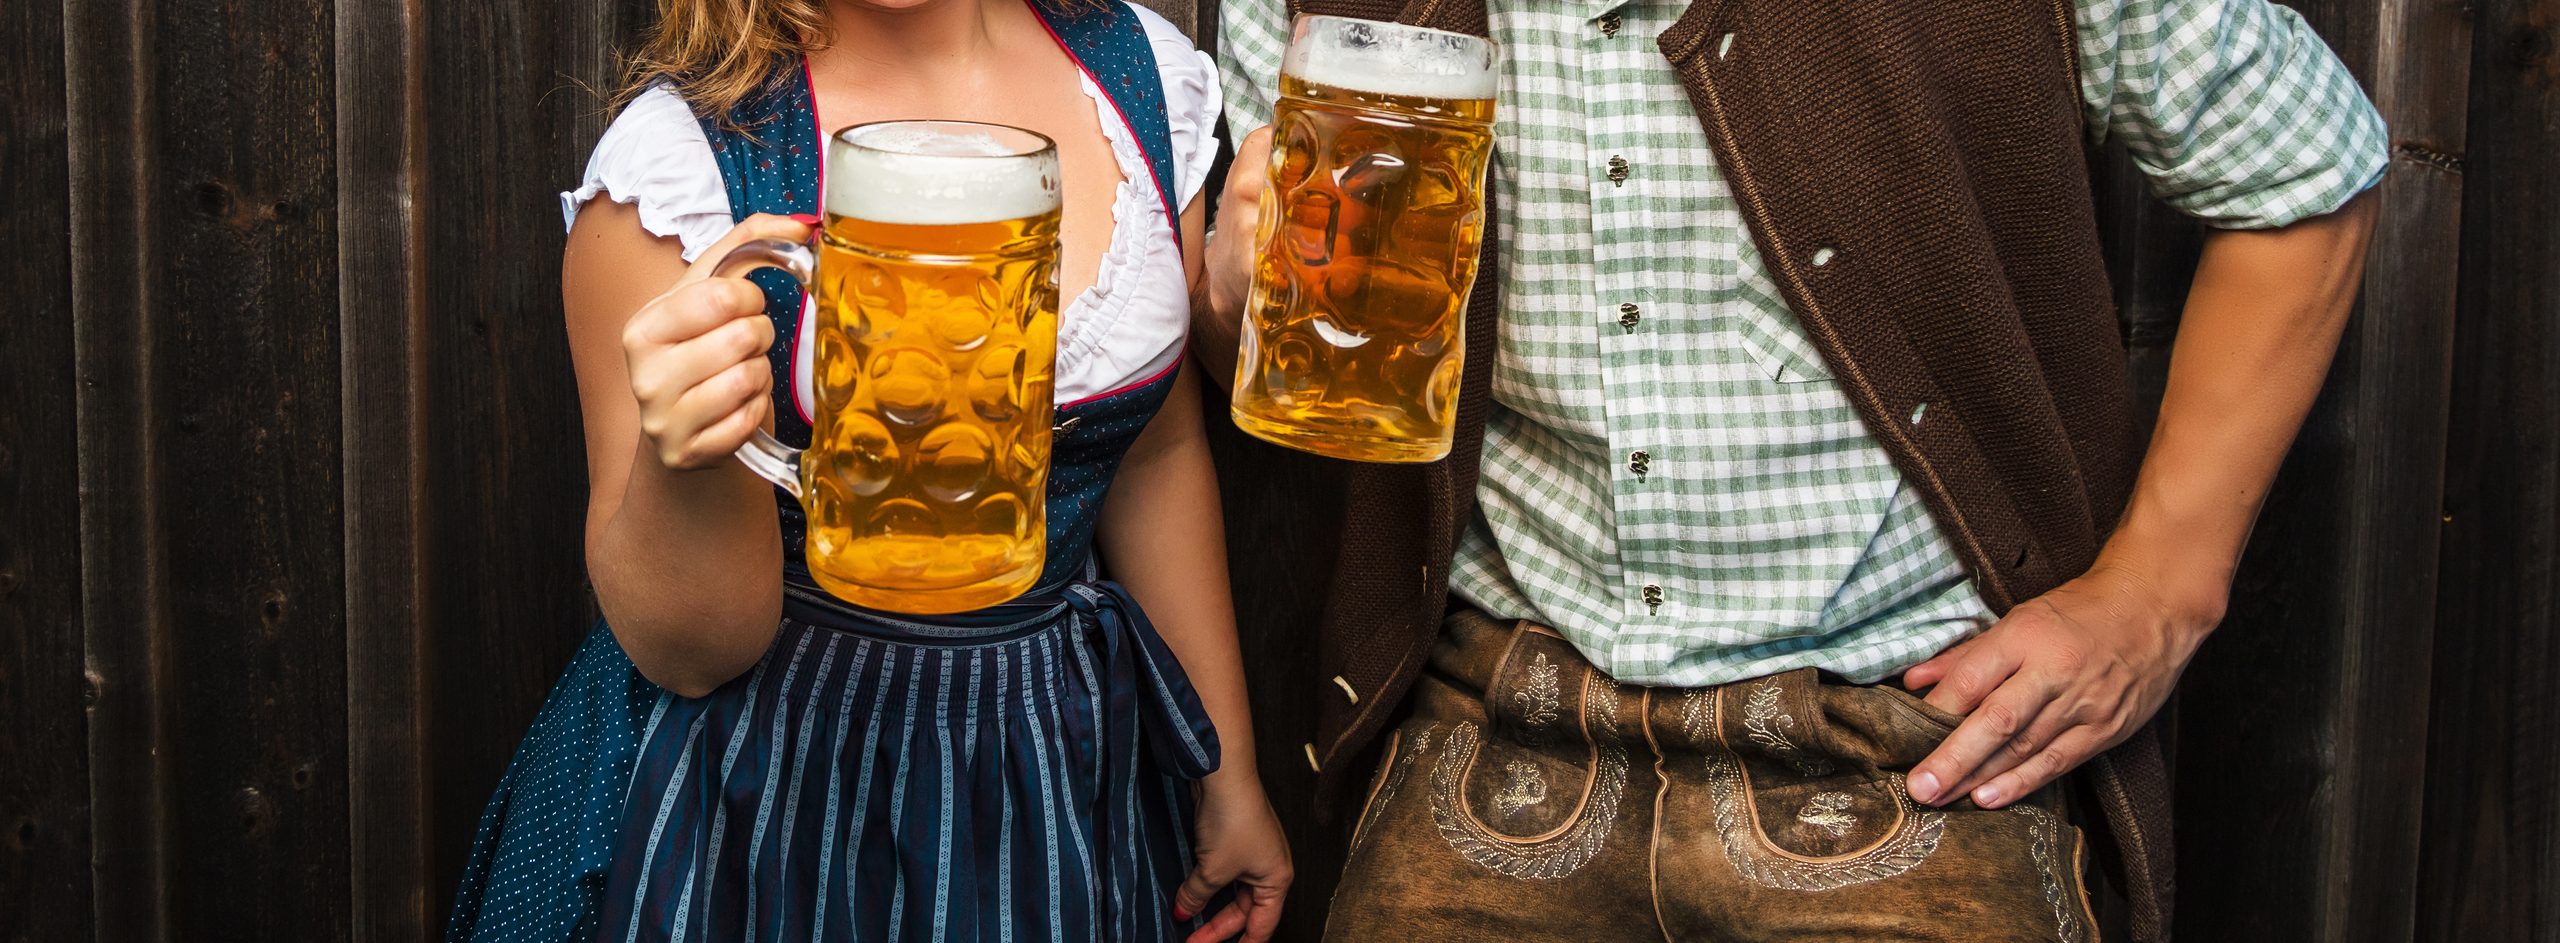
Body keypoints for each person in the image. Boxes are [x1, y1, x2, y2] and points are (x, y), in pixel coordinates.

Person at [1200, 0, 2385, 937]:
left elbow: (2302, 173)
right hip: (1501, 703)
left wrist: (2160, 590)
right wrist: (1236, 298)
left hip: (1910, 726)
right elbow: (1261, 353)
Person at [444, 0, 1293, 939]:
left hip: (1057, 758)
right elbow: (691, 652)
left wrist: (1228, 771)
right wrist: (693, 462)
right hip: (756, 795)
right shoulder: (679, 163)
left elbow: (1157, 454)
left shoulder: (1141, 79)